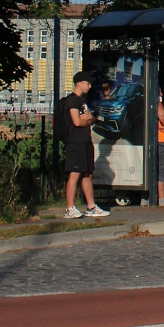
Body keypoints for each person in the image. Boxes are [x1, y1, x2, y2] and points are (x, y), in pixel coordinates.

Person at [62, 71, 109, 219]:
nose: (89, 86)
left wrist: (89, 119)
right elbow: (77, 121)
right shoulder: (72, 101)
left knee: (87, 174)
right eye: (87, 83)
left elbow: (89, 118)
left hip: (86, 141)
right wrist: (89, 120)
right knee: (75, 174)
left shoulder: (82, 101)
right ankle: (69, 208)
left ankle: (91, 206)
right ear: (79, 83)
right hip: (76, 142)